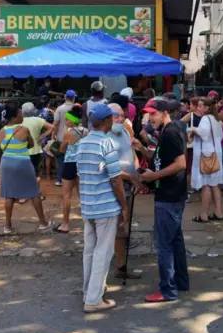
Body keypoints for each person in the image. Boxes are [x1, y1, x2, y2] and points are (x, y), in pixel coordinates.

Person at [76, 104, 128, 312]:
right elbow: (115, 180)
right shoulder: (107, 144)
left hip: (88, 205)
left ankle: (88, 291)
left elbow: (81, 175)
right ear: (106, 121)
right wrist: (124, 206)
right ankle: (93, 300)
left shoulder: (82, 143)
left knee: (89, 251)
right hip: (105, 207)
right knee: (102, 253)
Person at [137, 99, 189, 302]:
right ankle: (181, 282)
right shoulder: (169, 130)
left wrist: (153, 177)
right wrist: (142, 149)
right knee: (175, 241)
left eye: (153, 114)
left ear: (164, 112)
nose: (150, 118)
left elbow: (180, 164)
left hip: (169, 195)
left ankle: (167, 290)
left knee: (164, 245)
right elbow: (161, 158)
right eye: (149, 114)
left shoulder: (170, 132)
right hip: (172, 194)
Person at [0, 104, 54, 235]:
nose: (21, 116)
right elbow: (30, 144)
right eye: (19, 114)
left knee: (9, 195)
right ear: (13, 117)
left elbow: (1, 147)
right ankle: (43, 223)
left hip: (6, 163)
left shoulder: (2, 131)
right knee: (34, 192)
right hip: (22, 162)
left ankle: (7, 226)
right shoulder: (23, 129)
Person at [107, 103, 142, 280]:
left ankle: (121, 266)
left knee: (123, 227)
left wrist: (135, 173)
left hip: (128, 185)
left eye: (122, 115)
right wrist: (130, 177)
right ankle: (113, 266)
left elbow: (132, 154)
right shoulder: (105, 137)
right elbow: (109, 168)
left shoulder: (126, 131)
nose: (120, 119)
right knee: (114, 227)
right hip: (113, 187)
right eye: (115, 116)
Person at [189, 97, 223, 223]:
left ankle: (204, 214)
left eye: (200, 106)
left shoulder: (205, 119)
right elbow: (220, 135)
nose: (198, 108)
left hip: (206, 155)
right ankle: (218, 212)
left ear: (206, 108)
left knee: (206, 185)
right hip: (215, 154)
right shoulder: (215, 119)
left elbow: (203, 133)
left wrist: (192, 129)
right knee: (215, 185)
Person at [55, 106, 88, 233]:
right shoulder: (86, 131)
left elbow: (62, 149)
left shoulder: (68, 133)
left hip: (69, 164)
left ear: (72, 120)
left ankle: (65, 224)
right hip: (82, 163)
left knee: (67, 194)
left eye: (67, 120)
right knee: (82, 195)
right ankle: (87, 221)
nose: (66, 122)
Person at [21, 102, 54, 204]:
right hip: (36, 150)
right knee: (36, 174)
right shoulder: (38, 120)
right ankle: (36, 194)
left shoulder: (19, 121)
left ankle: (23, 196)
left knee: (23, 174)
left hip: (22, 151)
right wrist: (42, 135)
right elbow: (52, 127)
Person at [52, 90, 77, 187]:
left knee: (61, 159)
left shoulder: (59, 108)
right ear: (73, 98)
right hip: (74, 137)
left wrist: (53, 135)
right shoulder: (75, 108)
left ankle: (59, 180)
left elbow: (56, 123)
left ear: (65, 97)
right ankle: (73, 180)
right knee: (74, 158)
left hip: (61, 137)